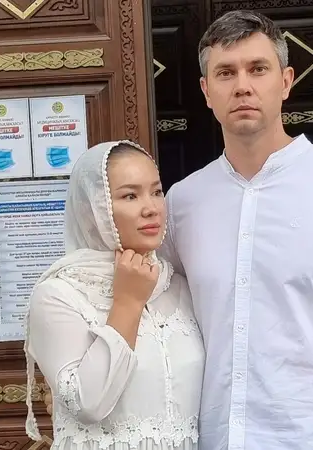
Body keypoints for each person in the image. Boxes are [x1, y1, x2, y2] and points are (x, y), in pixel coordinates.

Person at [44, 9, 313, 450]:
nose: (242, 85)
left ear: (286, 81)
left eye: (258, 69)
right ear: (206, 91)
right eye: (225, 72)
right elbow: (149, 311)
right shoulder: (182, 203)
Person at [23, 140, 205, 450]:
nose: (151, 207)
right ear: (93, 209)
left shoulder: (177, 285)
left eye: (156, 192)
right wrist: (127, 302)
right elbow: (88, 404)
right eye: (130, 196)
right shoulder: (59, 295)